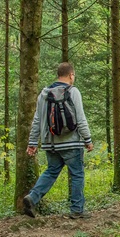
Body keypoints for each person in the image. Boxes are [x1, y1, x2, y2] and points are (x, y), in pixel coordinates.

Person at [23, 62, 94, 219]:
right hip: (72, 142)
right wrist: (87, 139)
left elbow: (37, 120)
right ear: (71, 75)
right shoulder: (73, 91)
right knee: (76, 174)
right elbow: (81, 119)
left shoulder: (44, 94)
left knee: (51, 171)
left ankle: (32, 197)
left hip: (51, 143)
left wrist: (33, 143)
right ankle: (77, 210)